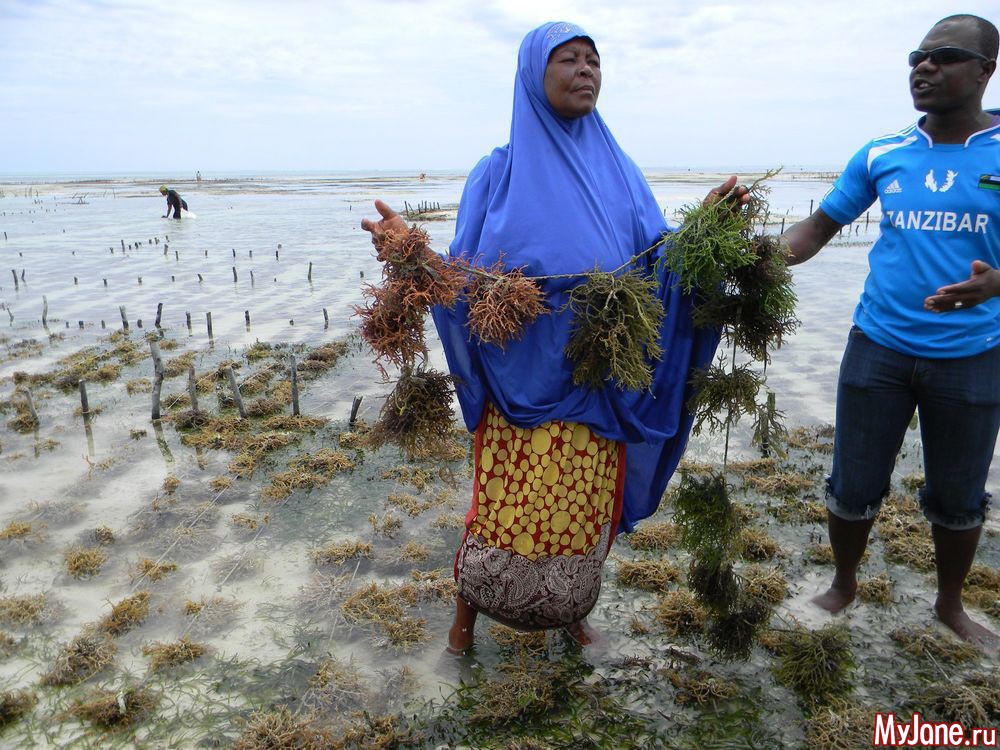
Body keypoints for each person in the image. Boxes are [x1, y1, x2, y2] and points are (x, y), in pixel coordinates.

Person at [362, 21, 746, 653]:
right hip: (518, 380)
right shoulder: (497, 174)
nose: (585, 69)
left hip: (599, 375)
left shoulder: (621, 172)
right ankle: (464, 623)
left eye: (593, 59)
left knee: (585, 503)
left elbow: (659, 265)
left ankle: (573, 613)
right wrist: (412, 254)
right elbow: (462, 282)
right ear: (532, 76)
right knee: (504, 505)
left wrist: (704, 227)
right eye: (567, 59)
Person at [782, 14, 998, 646]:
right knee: (853, 483)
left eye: (945, 56)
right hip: (877, 347)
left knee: (958, 495)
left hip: (973, 354)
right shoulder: (883, 152)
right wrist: (753, 258)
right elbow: (816, 229)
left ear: (985, 71)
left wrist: (996, 283)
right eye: (917, 57)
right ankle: (843, 584)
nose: (924, 67)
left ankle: (950, 604)